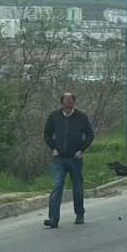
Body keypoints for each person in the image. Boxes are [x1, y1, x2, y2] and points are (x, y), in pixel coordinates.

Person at [43, 93, 95, 228]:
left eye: (70, 106)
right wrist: (53, 147)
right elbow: (47, 134)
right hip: (59, 158)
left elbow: (90, 134)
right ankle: (53, 219)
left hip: (75, 158)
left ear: (74, 104)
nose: (68, 109)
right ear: (62, 104)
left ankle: (79, 214)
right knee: (57, 186)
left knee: (77, 188)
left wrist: (82, 149)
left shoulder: (81, 117)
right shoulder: (54, 116)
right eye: (66, 106)